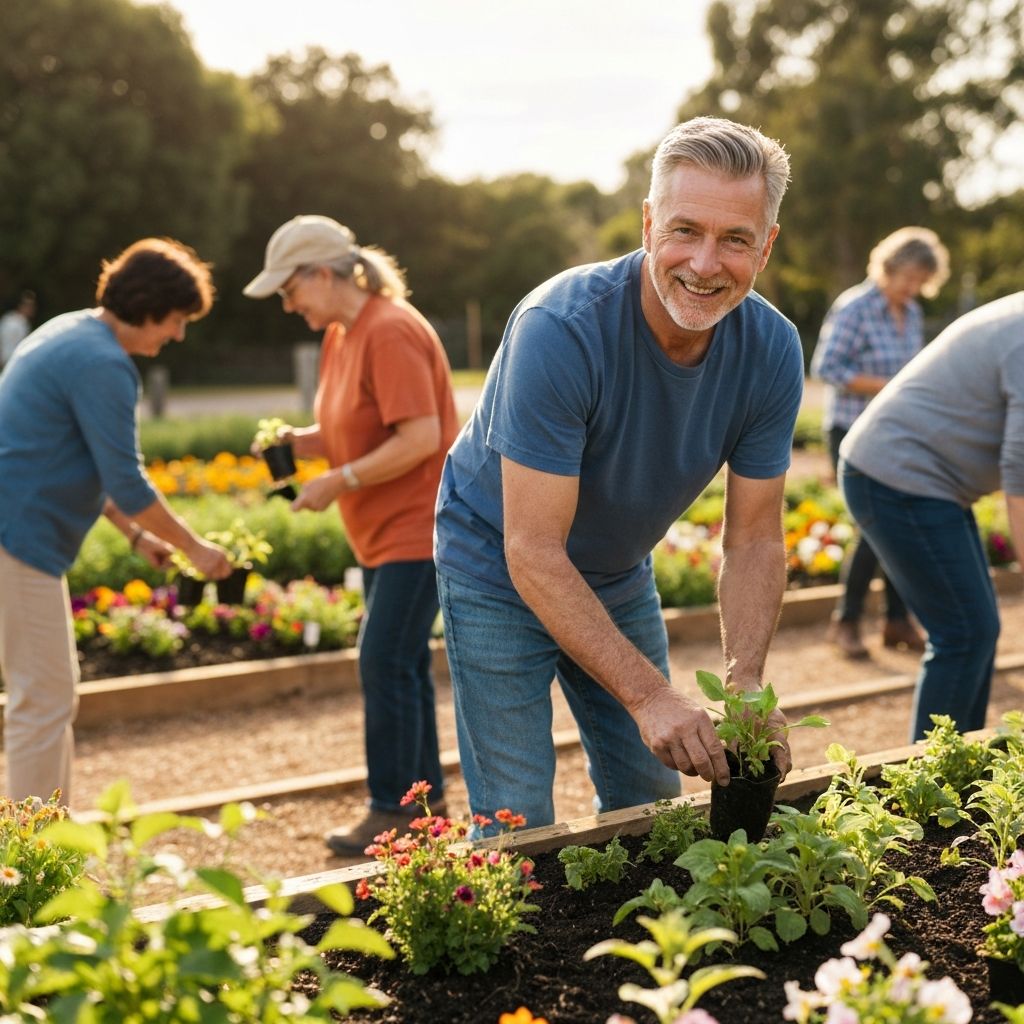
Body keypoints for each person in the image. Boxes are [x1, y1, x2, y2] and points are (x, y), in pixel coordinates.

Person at [433, 116, 805, 832]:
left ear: (767, 244)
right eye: (684, 230)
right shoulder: (561, 328)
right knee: (518, 818)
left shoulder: (772, 350)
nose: (703, 263)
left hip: (615, 567)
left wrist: (745, 686)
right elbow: (532, 550)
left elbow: (755, 538)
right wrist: (649, 696)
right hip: (497, 564)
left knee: (649, 801)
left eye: (734, 239)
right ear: (646, 224)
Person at [243, 215, 459, 855]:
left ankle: (391, 809)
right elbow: (351, 427)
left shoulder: (390, 331)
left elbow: (421, 437)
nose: (288, 304)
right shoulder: (344, 333)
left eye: (290, 290)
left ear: (321, 274)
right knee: (402, 665)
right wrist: (297, 443)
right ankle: (426, 804)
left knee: (383, 659)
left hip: (419, 529)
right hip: (384, 535)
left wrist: (339, 480)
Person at [0, 239, 233, 806]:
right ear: (150, 305)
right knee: (43, 702)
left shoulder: (70, 330)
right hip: (17, 538)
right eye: (177, 320)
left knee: (51, 696)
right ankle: (29, 870)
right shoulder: (104, 363)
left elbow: (76, 461)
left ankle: (48, 849)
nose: (177, 335)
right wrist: (196, 550)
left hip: (19, 535)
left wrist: (134, 534)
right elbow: (127, 481)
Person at [840, 292, 1024, 742]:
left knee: (975, 630)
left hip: (926, 482)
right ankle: (930, 781)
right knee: (964, 632)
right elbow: (1020, 477)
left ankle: (962, 764)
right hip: (897, 477)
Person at [811, 227, 950, 658]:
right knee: (873, 527)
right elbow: (826, 367)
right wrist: (889, 386)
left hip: (896, 430)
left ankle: (895, 620)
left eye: (920, 281)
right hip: (852, 430)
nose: (912, 288)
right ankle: (847, 621)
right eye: (908, 277)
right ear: (889, 267)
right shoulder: (856, 307)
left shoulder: (908, 313)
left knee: (900, 522)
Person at [0, 291, 36, 369]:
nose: (31, 309)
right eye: (29, 306)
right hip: (13, 362)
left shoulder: (7, 318)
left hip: (6, 361)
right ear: (21, 305)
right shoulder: (22, 322)